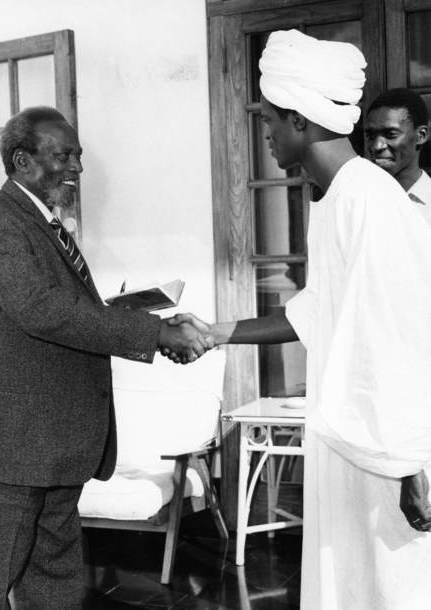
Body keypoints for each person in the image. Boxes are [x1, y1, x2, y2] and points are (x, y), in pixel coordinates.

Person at [167, 30, 431, 609]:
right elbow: (315, 310)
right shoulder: (336, 197)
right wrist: (215, 333)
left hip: (389, 450)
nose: (266, 131)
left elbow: (402, 337)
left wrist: (412, 462)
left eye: (271, 119)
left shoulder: (372, 200)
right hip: (350, 443)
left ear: (302, 121)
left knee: (395, 590)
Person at [0, 106, 209, 610]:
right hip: (10, 449)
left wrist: (126, 314)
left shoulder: (48, 226)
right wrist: (152, 330)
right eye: (65, 155)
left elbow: (59, 313)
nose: (78, 168)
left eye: (78, 156)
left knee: (52, 583)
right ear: (21, 160)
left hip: (57, 444)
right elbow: (43, 311)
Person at [365, 87, 431, 222]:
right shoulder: (358, 202)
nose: (377, 146)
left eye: (390, 134)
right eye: (371, 136)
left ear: (421, 135)